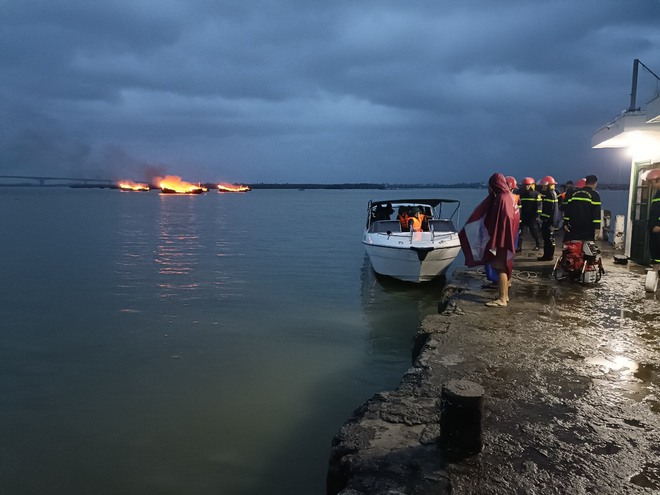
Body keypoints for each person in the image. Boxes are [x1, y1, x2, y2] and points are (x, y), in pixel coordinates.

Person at [459, 173, 520, 307]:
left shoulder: (502, 199)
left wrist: (498, 239)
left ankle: (502, 299)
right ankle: (505, 296)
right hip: (507, 236)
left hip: (502, 238)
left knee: (500, 266)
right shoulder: (509, 197)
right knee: (504, 265)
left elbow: (505, 220)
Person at [563, 174, 601, 241]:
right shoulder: (594, 195)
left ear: (586, 183)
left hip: (573, 226)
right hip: (588, 228)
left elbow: (568, 209)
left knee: (572, 246)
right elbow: (596, 213)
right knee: (587, 247)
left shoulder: (573, 193)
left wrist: (565, 222)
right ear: (595, 183)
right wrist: (597, 228)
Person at [537, 175, 560, 261]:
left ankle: (548, 256)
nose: (542, 187)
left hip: (548, 221)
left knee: (548, 239)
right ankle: (549, 255)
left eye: (543, 185)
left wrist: (542, 218)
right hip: (551, 221)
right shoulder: (553, 193)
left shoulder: (549, 194)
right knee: (550, 239)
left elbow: (549, 209)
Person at [516, 177, 542, 252]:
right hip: (523, 216)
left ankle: (538, 245)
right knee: (521, 233)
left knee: (534, 232)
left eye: (528, 185)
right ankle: (519, 247)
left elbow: (539, 206)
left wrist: (537, 216)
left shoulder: (536, 194)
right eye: (525, 185)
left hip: (532, 217)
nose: (526, 186)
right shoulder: (520, 193)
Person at [647, 169, 660, 265]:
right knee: (655, 256)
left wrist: (659, 225)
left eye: (652, 183)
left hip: (658, 229)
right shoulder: (657, 193)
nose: (651, 185)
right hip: (654, 231)